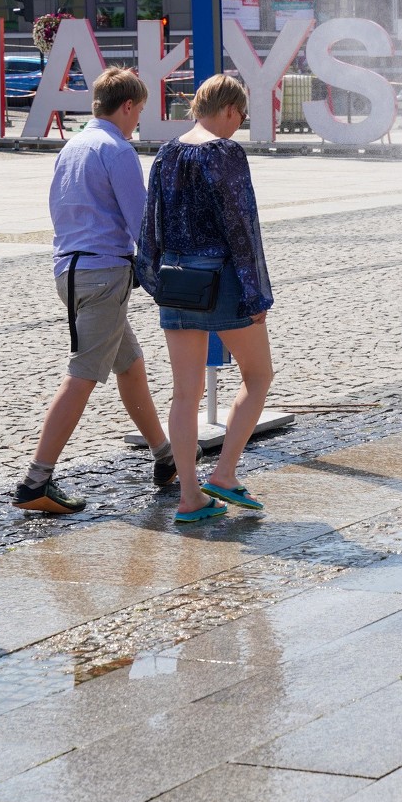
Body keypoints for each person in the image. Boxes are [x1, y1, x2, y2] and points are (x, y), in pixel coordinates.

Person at [13, 67, 174, 515]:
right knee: (83, 373)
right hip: (105, 274)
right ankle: (35, 480)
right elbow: (142, 222)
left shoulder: (74, 146)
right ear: (126, 106)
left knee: (130, 363)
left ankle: (165, 457)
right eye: (138, 112)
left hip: (70, 270)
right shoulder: (116, 149)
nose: (137, 120)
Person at [136, 74, 274, 524]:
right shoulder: (227, 153)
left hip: (178, 280)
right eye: (242, 117)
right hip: (224, 281)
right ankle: (226, 473)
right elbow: (242, 226)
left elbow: (149, 223)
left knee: (183, 393)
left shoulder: (166, 153)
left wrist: (152, 276)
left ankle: (190, 497)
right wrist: (257, 294)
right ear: (231, 110)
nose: (240, 126)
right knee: (258, 377)